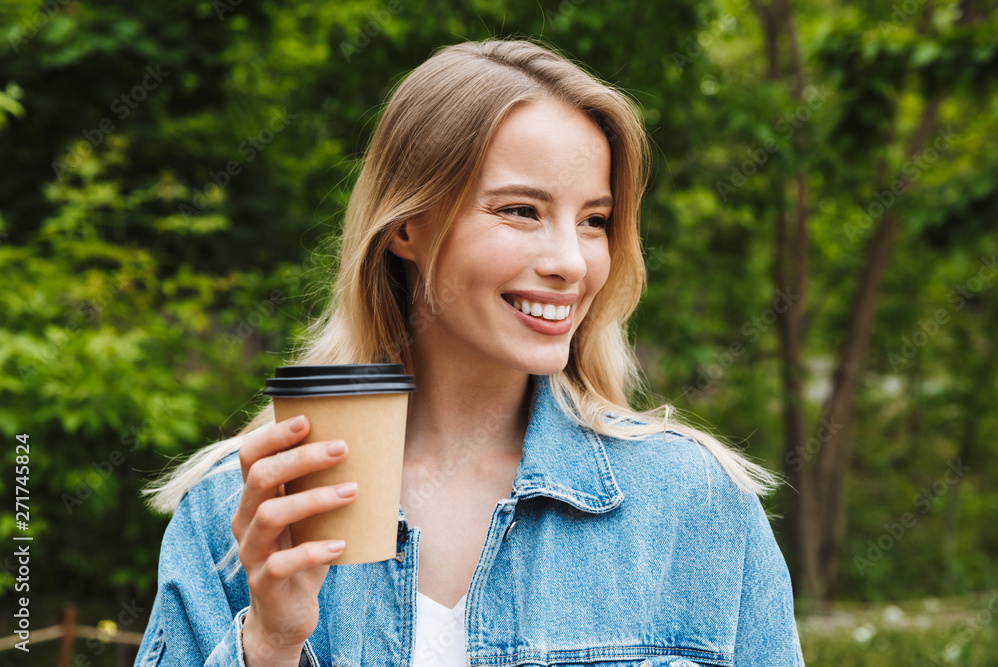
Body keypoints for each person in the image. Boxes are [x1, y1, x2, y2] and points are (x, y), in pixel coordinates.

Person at [135, 38, 805, 667]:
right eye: (520, 210)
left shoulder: (694, 503)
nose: (571, 262)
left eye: (594, 220)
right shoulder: (241, 507)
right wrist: (270, 645)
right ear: (405, 226)